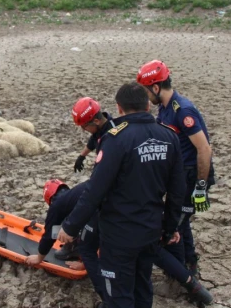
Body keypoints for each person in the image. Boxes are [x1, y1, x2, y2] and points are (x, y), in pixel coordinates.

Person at [57, 82, 195, 308]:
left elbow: (95, 190)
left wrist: (71, 226)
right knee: (142, 289)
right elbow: (177, 192)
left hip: (119, 236)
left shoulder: (116, 139)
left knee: (118, 297)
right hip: (151, 230)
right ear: (147, 106)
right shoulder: (169, 137)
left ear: (119, 108)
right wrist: (169, 229)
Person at [136, 60, 216, 277]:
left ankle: (183, 272)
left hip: (191, 176)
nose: (145, 98)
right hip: (179, 175)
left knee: (176, 224)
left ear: (155, 87)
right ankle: (188, 261)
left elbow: (204, 149)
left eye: (145, 91)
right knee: (181, 221)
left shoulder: (183, 111)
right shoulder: (165, 109)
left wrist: (200, 186)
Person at [24, 179, 107, 304]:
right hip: (108, 204)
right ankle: (78, 250)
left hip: (97, 210)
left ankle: (108, 299)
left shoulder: (57, 205)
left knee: (87, 250)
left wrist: (39, 258)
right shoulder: (73, 196)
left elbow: (49, 236)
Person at [71, 97, 117, 173]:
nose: (83, 129)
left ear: (96, 121)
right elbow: (93, 139)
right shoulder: (101, 127)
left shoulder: (112, 137)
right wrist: (82, 156)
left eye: (84, 126)